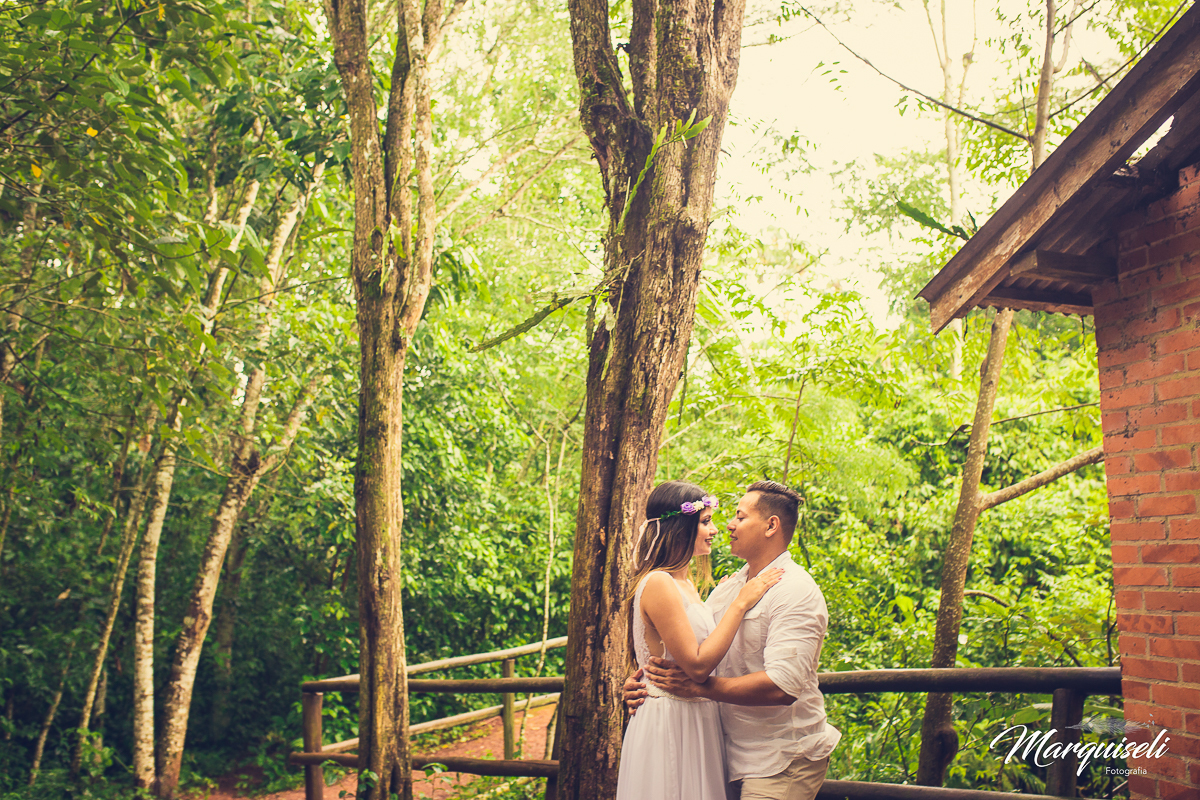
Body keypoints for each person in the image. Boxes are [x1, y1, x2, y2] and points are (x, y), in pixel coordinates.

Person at [624, 480, 840, 800]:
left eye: (739, 516)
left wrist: (700, 688)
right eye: (709, 520)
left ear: (771, 526)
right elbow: (683, 646)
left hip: (778, 757)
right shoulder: (730, 588)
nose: (727, 524)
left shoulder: (794, 591)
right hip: (720, 748)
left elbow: (782, 686)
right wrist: (643, 680)